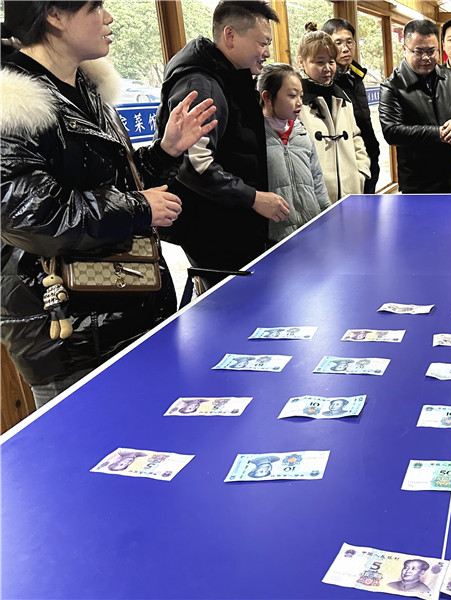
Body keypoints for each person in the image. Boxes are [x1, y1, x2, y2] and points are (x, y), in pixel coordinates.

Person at [1, 0, 216, 407]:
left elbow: (117, 186)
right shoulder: (11, 105)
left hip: (130, 307)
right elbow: (32, 217)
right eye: (96, 7)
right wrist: (139, 208)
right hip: (69, 336)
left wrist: (165, 152)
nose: (109, 17)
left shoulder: (86, 89)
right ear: (55, 15)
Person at [156, 1, 289, 287]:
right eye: (262, 43)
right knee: (233, 302)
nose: (267, 52)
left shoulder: (229, 77)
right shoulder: (200, 85)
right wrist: (253, 197)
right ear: (230, 36)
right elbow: (195, 165)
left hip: (231, 224)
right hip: (214, 229)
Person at [379, 19, 451, 193]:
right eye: (419, 51)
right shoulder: (392, 86)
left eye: (431, 51)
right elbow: (392, 131)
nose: (426, 58)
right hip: (418, 183)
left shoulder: (449, 77)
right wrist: (438, 133)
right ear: (405, 49)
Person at [296, 25, 370, 204]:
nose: (328, 68)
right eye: (319, 62)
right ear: (301, 62)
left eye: (331, 61)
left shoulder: (342, 97)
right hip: (314, 198)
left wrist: (361, 172)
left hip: (351, 194)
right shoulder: (296, 102)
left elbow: (355, 137)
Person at [257, 63, 330, 243]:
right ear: (267, 97)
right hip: (275, 240)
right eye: (291, 95)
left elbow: (317, 180)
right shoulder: (254, 137)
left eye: (301, 96)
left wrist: (326, 215)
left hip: (311, 231)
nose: (299, 103)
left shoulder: (301, 134)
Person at [321, 18, 381, 194]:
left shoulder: (357, 76)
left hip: (369, 155)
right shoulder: (327, 81)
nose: (345, 48)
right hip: (345, 164)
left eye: (349, 42)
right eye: (338, 43)